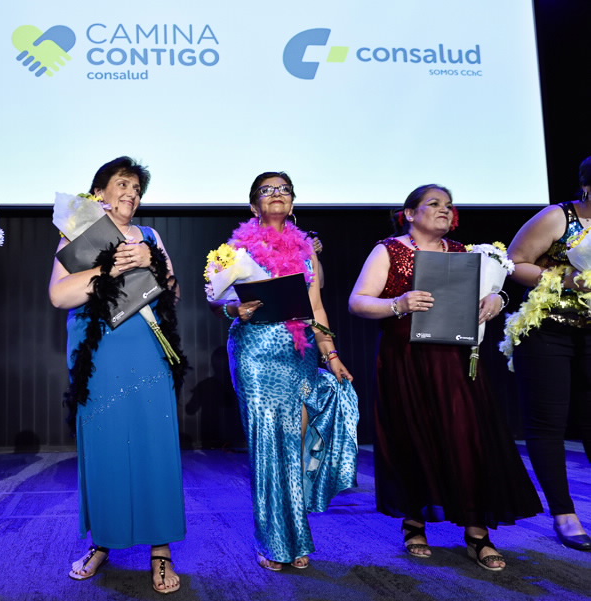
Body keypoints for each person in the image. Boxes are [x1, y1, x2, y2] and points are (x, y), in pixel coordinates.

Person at [348, 184, 541, 571]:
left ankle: (477, 531)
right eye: (433, 204)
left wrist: (497, 299)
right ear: (409, 213)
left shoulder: (464, 253)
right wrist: (397, 303)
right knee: (412, 436)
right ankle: (414, 522)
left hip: (454, 359)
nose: (445, 210)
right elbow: (358, 301)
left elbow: (493, 291)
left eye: (449, 205)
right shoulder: (390, 250)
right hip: (405, 359)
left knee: (467, 438)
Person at [207, 171, 358, 570]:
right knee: (268, 447)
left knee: (295, 443)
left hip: (299, 352)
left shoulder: (307, 251)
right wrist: (232, 308)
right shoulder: (234, 250)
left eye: (284, 189)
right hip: (257, 354)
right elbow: (216, 301)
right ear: (253, 205)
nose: (277, 194)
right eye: (267, 190)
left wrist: (331, 355)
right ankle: (273, 540)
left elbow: (316, 307)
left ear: (292, 202)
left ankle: (296, 531)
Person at [48, 157, 186, 594]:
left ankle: (161, 549)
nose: (131, 194)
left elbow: (174, 293)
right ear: (100, 193)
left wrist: (152, 262)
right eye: (122, 184)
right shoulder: (78, 233)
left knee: (154, 445)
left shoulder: (151, 237)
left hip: (146, 351)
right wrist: (107, 269)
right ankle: (103, 541)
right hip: (99, 354)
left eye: (137, 189)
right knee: (104, 446)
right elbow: (59, 295)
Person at [505, 157, 591, 551]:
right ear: (587, 187)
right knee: (548, 424)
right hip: (548, 330)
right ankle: (564, 514)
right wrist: (565, 279)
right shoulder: (559, 217)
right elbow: (514, 262)